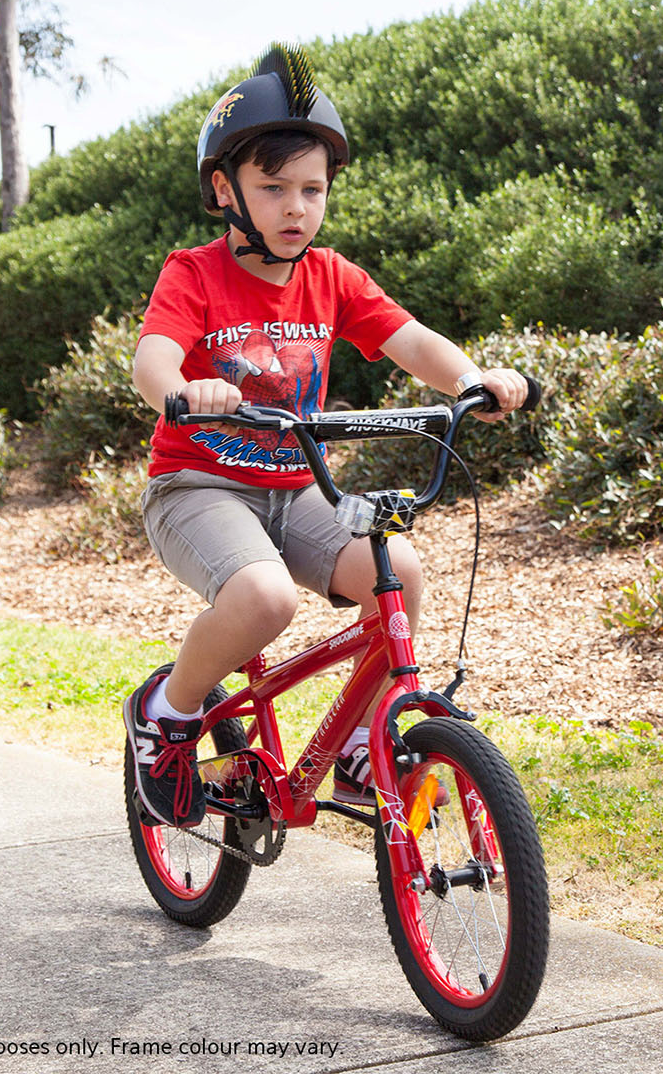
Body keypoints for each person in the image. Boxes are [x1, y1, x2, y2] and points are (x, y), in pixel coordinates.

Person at [126, 42, 527, 827]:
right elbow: (153, 358)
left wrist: (470, 380)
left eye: (312, 189)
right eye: (273, 188)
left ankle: (358, 750)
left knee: (398, 573)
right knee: (264, 599)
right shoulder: (194, 273)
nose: (296, 208)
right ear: (225, 190)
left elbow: (411, 341)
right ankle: (167, 712)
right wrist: (183, 390)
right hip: (198, 486)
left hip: (299, 485)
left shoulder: (332, 277)